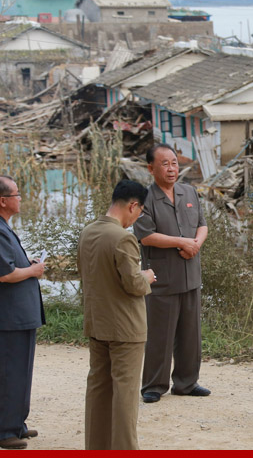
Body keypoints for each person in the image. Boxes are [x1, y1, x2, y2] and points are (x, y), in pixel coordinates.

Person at [78, 180, 155, 449]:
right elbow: (133, 284)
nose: (137, 218)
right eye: (140, 212)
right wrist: (146, 277)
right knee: (125, 394)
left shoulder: (88, 231)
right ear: (133, 206)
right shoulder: (123, 237)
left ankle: (96, 447)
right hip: (126, 328)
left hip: (97, 322)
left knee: (98, 389)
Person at [133, 144, 210, 403]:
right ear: (151, 168)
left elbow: (202, 225)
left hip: (190, 273)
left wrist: (195, 244)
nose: (171, 168)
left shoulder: (188, 191)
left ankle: (187, 383)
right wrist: (181, 242)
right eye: (164, 164)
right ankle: (154, 385)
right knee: (160, 334)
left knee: (190, 334)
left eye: (174, 163)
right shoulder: (144, 199)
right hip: (162, 278)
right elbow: (146, 236)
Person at [0, 175, 45, 450]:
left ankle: (17, 423)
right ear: (3, 201)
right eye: (16, 195)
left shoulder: (5, 228)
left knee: (22, 372)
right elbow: (5, 274)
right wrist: (33, 270)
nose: (20, 199)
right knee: (11, 372)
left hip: (20, 315)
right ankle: (6, 431)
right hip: (10, 317)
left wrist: (26, 262)